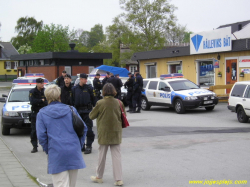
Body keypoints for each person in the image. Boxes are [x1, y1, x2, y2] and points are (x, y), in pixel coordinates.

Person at [36, 84, 87, 187]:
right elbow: (83, 128)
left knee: (61, 184)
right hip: (73, 151)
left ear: (46, 98)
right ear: (59, 96)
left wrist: (48, 150)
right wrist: (79, 145)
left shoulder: (42, 113)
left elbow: (41, 136)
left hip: (56, 153)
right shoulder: (71, 109)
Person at [89, 83, 125, 186]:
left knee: (102, 156)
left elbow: (91, 116)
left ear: (103, 92)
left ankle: (99, 177)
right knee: (116, 156)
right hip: (116, 132)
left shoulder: (100, 103)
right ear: (114, 91)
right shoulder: (119, 102)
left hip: (104, 132)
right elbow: (124, 116)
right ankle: (118, 179)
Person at [71, 73, 96, 154]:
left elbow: (94, 100)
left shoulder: (89, 88)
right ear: (81, 79)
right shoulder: (74, 89)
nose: (86, 80)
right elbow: (71, 101)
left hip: (87, 112)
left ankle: (89, 146)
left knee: (89, 130)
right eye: (85, 79)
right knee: (79, 130)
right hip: (78, 112)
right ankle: (82, 145)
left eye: (86, 79)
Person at [29, 78, 48, 153]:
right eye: (41, 83)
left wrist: (40, 102)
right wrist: (41, 100)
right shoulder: (32, 92)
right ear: (37, 83)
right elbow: (32, 102)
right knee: (34, 130)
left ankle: (45, 146)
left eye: (43, 83)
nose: (42, 84)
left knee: (46, 130)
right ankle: (34, 146)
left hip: (44, 113)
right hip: (35, 113)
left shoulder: (46, 91)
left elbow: (47, 102)